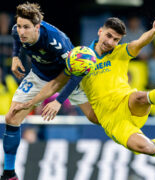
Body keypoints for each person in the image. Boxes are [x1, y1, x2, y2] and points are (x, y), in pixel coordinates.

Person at [15, 17, 155, 159]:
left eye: (116, 39)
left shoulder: (121, 52)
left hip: (128, 104)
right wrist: (30, 103)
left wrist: (154, 31)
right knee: (147, 148)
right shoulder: (81, 57)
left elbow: (140, 42)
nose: (110, 42)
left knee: (140, 97)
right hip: (113, 122)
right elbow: (57, 83)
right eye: (108, 36)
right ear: (100, 31)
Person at [0, 2, 98, 180]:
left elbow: (72, 75)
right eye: (20, 26)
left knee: (95, 118)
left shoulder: (56, 42)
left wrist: (58, 100)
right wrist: (15, 57)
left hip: (68, 76)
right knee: (11, 118)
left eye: (26, 28)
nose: (22, 31)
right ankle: (9, 173)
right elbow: (16, 37)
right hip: (39, 75)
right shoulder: (17, 30)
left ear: (37, 27)